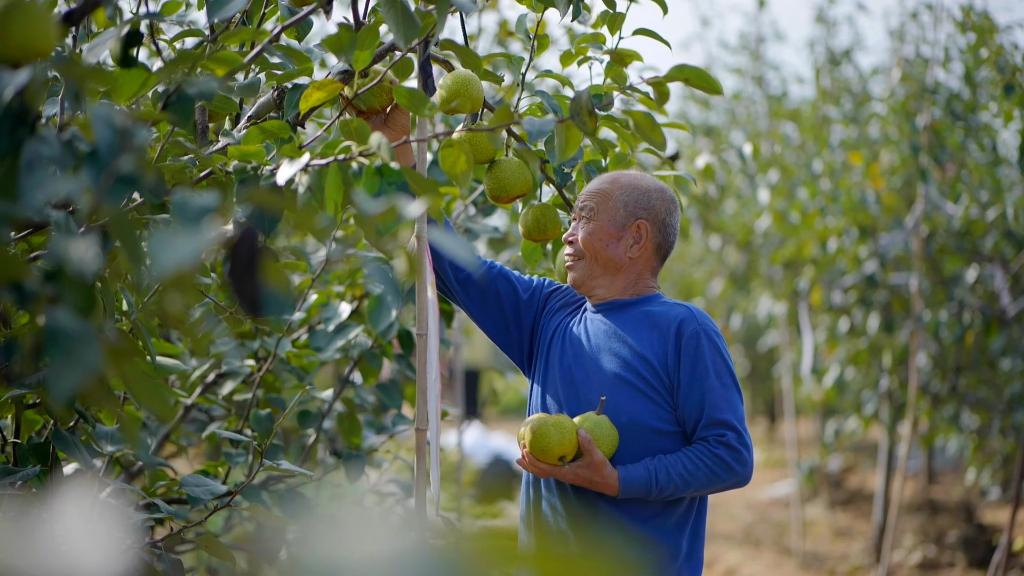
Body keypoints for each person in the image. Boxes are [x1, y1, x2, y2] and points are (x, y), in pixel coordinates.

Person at [369, 105, 754, 575]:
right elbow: (451, 262)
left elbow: (730, 456)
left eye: (584, 219)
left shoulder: (684, 331)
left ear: (636, 240)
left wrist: (618, 481)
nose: (566, 236)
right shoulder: (550, 314)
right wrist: (401, 152)